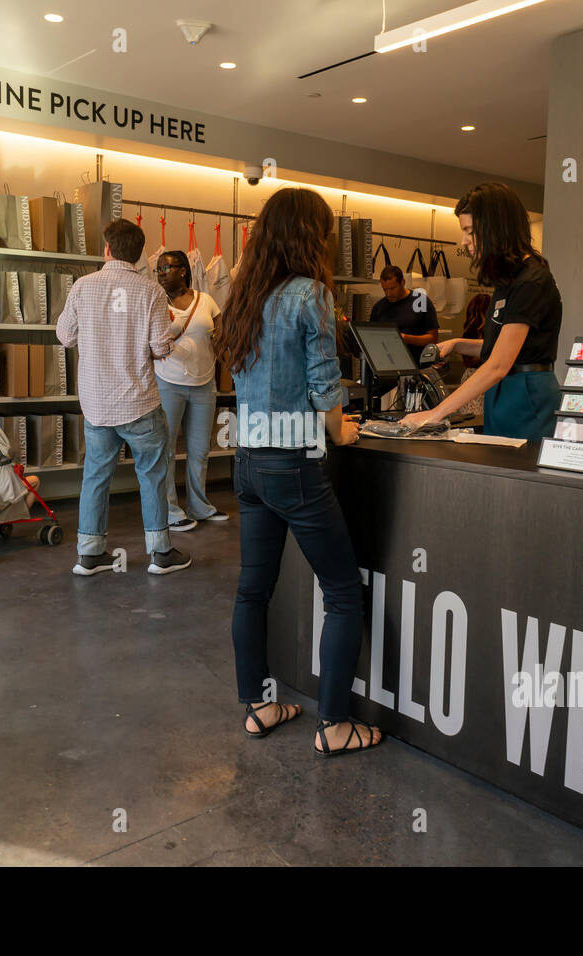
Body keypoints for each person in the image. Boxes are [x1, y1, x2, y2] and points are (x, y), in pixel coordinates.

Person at [214, 187, 382, 758]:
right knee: (342, 592)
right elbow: (323, 384)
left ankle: (260, 706)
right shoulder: (309, 294)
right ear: (311, 236)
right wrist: (342, 430)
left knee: (252, 591)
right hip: (296, 465)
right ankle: (335, 726)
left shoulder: (244, 294)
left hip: (248, 462)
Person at [56, 219, 191, 576]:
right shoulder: (151, 292)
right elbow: (161, 348)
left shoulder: (83, 287)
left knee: (96, 477)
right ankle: (160, 553)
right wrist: (172, 332)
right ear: (139, 254)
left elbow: (65, 337)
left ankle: (89, 554)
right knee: (152, 475)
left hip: (97, 405)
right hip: (140, 403)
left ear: (107, 249)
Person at [401, 182, 561, 440]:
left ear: (496, 228)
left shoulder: (532, 281)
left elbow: (499, 363)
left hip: (526, 396)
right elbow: (501, 346)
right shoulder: (508, 280)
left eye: (470, 231)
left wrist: (435, 414)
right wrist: (457, 344)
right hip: (505, 393)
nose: (464, 241)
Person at [153, 250, 226, 531]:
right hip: (168, 383)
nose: (160, 273)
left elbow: (222, 333)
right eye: (158, 269)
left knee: (199, 450)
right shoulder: (156, 301)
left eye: (165, 268)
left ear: (183, 270)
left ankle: (200, 506)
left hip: (204, 384)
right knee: (166, 449)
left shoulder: (206, 300)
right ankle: (171, 510)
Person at [369, 264, 440, 362]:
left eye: (392, 288)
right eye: (384, 289)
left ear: (402, 282)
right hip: (388, 364)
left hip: (417, 365)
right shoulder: (379, 307)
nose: (388, 294)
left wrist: (405, 338)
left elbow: (433, 339)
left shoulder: (421, 301)